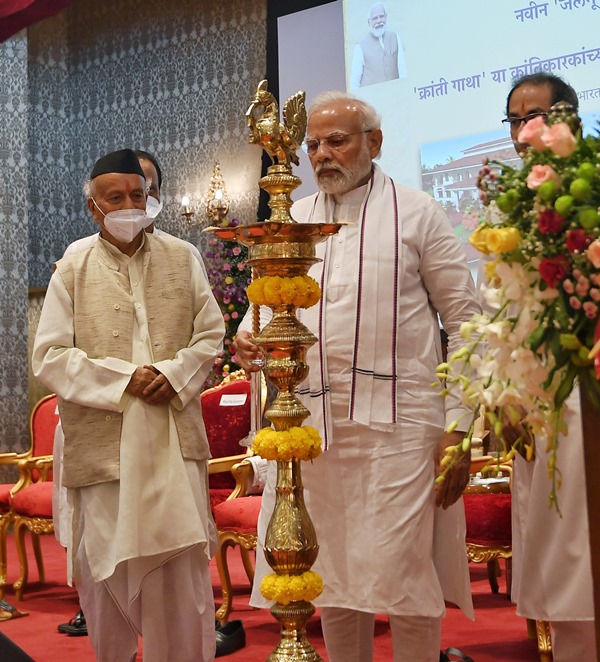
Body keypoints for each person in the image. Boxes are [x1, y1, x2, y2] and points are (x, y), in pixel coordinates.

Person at [235, 92, 481, 662]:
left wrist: (460, 425)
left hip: (401, 433)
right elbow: (267, 309)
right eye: (313, 144)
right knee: (329, 574)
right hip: (311, 433)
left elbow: (466, 322)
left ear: (374, 142)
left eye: (337, 141)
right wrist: (250, 334)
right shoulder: (290, 219)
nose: (321, 154)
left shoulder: (418, 211)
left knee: (405, 575)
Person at [33, 148, 224, 662]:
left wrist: (172, 373)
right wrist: (124, 380)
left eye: (137, 195)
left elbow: (210, 335)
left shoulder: (182, 256)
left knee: (181, 581)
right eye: (114, 197)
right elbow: (48, 356)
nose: (128, 205)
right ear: (92, 206)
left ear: (151, 198)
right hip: (103, 448)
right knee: (108, 577)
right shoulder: (73, 263)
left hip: (172, 441)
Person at [501, 72, 596, 662]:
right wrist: (501, 397)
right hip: (538, 406)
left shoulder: (589, 189)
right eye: (512, 120)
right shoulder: (515, 205)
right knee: (557, 560)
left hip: (587, 397)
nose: (521, 131)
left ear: (570, 119)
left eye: (533, 115)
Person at [349, 2, 407, 91]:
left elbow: (403, 72)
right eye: (375, 18)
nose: (379, 21)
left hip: (395, 96)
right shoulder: (360, 47)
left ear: (386, 17)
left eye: (381, 16)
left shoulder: (395, 37)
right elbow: (354, 84)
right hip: (371, 101)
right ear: (369, 22)